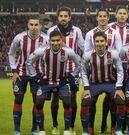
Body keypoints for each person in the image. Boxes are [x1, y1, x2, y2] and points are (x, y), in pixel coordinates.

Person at [27, 30, 81, 135]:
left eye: (57, 40)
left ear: (61, 40)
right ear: (49, 41)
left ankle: (66, 130)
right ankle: (42, 130)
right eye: (53, 41)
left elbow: (78, 63)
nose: (55, 43)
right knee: (38, 104)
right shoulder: (42, 50)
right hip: (46, 81)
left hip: (62, 82)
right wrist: (34, 76)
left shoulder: (68, 51)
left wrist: (73, 75)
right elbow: (29, 62)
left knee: (67, 103)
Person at [8, 15, 48, 135]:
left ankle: (34, 130)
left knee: (37, 103)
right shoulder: (19, 38)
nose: (34, 27)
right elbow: (11, 53)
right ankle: (17, 130)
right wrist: (14, 71)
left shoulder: (46, 39)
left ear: (41, 25)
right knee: (18, 100)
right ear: (28, 25)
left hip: (38, 75)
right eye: (31, 24)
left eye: (36, 25)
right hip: (21, 74)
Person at [47, 6, 85, 135]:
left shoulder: (77, 31)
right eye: (61, 16)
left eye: (65, 16)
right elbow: (48, 49)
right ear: (58, 17)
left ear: (69, 17)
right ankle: (55, 126)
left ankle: (71, 127)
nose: (63, 18)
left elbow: (83, 48)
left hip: (72, 70)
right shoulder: (52, 30)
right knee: (55, 98)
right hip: (55, 70)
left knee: (72, 99)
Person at [84, 8, 122, 134]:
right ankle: (90, 127)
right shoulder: (90, 33)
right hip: (95, 74)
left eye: (104, 16)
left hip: (111, 71)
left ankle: (113, 127)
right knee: (89, 101)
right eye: (100, 16)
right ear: (97, 18)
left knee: (113, 101)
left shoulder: (115, 33)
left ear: (108, 17)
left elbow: (119, 51)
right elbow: (87, 53)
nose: (102, 18)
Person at [97, 6, 129, 134]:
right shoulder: (110, 28)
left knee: (124, 97)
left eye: (124, 13)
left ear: (127, 15)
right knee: (109, 97)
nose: (122, 16)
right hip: (110, 65)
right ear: (115, 15)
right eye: (120, 13)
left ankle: (123, 125)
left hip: (126, 65)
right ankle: (104, 122)